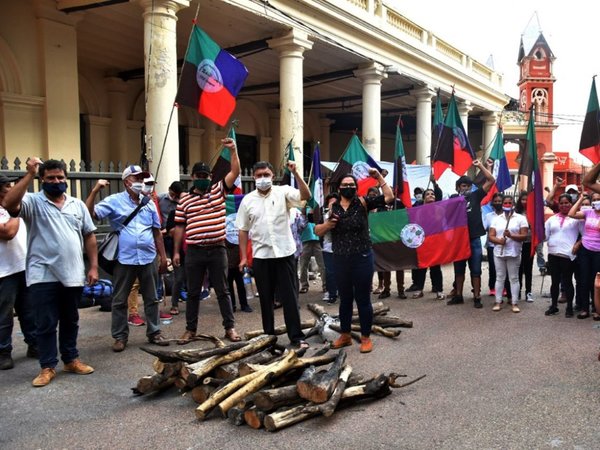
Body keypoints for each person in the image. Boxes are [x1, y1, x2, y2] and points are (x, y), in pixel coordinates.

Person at [3, 158, 98, 387]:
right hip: (42, 274)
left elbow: (89, 235)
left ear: (66, 179)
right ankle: (47, 366)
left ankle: (70, 359)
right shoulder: (32, 202)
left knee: (70, 319)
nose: (56, 182)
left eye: (60, 178)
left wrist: (93, 265)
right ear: (42, 180)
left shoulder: (77, 205)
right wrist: (29, 174)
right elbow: (8, 203)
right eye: (50, 178)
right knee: (44, 322)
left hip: (73, 273)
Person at [87, 166, 169, 352]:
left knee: (152, 298)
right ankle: (120, 336)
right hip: (124, 259)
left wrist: (163, 258)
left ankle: (154, 332)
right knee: (119, 300)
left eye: (142, 179)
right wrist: (94, 191)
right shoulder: (114, 201)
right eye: (136, 179)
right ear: (126, 182)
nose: (140, 183)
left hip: (148, 257)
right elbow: (90, 214)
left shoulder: (148, 203)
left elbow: (157, 233)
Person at [315, 169, 394, 353]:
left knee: (363, 299)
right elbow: (318, 231)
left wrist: (378, 177)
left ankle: (366, 337)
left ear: (356, 188)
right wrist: (328, 224)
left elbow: (389, 198)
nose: (348, 188)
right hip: (340, 259)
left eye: (352, 185)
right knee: (345, 300)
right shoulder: (332, 207)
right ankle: (345, 335)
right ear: (339, 188)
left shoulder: (363, 202)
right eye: (345, 185)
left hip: (362, 257)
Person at [236, 160, 311, 349]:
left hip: (285, 254)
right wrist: (244, 257)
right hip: (261, 257)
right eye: (259, 175)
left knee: (290, 298)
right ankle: (268, 338)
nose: (263, 178)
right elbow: (243, 230)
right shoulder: (248, 200)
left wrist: (296, 174)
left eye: (266, 175)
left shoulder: (283, 192)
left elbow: (306, 196)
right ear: (253, 177)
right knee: (266, 299)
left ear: (272, 176)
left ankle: (296, 336)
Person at [173, 138, 241, 344]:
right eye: (199, 176)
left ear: (210, 177)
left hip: (218, 249)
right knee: (193, 293)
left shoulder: (219, 189)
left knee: (223, 291)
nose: (202, 178)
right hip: (194, 251)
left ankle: (230, 328)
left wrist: (234, 150)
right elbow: (179, 227)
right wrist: (176, 252)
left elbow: (235, 172)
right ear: (192, 177)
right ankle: (190, 330)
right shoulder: (184, 199)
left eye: (206, 175)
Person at [0, 174, 37, 370]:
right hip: (3, 271)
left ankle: (34, 343)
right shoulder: (13, 210)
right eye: (7, 186)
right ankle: (3, 351)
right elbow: (8, 232)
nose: (11, 188)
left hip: (24, 266)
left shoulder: (17, 206)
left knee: (29, 310)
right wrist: (14, 212)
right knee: (4, 315)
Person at [447, 159, 495, 308]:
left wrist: (481, 166)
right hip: (459, 241)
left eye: (468, 185)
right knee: (459, 270)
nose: (466, 188)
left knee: (476, 269)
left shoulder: (476, 196)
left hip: (474, 238)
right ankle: (459, 295)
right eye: (463, 185)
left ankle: (477, 297)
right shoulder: (452, 200)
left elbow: (491, 180)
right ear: (458, 187)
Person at [488, 195, 529, 313]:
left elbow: (524, 236)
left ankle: (514, 302)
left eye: (509, 203)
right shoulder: (496, 219)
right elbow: (491, 236)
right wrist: (499, 241)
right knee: (500, 277)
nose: (507, 205)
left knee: (514, 278)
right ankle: (498, 301)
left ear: (513, 204)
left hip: (513, 252)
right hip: (499, 252)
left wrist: (511, 236)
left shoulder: (521, 218)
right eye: (505, 203)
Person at [544, 194, 580, 317]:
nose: (564, 205)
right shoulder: (551, 220)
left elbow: (585, 235)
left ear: (571, 204)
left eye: (567, 203)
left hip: (568, 255)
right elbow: (545, 236)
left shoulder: (576, 218)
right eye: (561, 203)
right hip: (553, 254)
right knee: (554, 282)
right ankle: (554, 306)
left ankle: (569, 307)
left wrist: (578, 244)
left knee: (568, 281)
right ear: (558, 205)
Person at [567, 188, 600, 319]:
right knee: (584, 280)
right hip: (585, 249)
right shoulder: (588, 212)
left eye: (599, 199)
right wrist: (581, 198)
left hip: (599, 252)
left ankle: (597, 309)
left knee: (597, 282)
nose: (597, 202)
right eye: (595, 200)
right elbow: (571, 213)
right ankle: (585, 309)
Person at [411, 188, 445, 300]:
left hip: (435, 242)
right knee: (422, 267)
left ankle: (439, 290)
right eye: (428, 194)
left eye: (432, 194)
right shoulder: (419, 210)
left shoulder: (439, 209)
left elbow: (439, 223)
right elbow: (416, 225)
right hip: (423, 242)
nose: (431, 195)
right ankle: (419, 289)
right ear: (424, 197)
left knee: (435, 268)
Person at [298, 208, 326, 295]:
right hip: (304, 240)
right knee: (303, 266)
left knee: (322, 265)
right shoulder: (298, 210)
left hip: (316, 239)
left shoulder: (314, 208)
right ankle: (304, 286)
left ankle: (325, 286)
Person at [514, 192, 535, 302]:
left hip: (529, 243)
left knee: (528, 268)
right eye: (523, 199)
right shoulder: (516, 213)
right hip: (517, 243)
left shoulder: (533, 212)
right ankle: (518, 291)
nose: (525, 202)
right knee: (518, 268)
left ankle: (528, 292)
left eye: (527, 200)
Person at [483, 193, 504, 296]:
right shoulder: (488, 216)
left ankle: (504, 287)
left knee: (504, 267)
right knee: (493, 267)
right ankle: (492, 287)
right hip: (492, 246)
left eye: (499, 201)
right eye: (495, 201)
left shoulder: (508, 215)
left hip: (505, 245)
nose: (497, 203)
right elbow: (484, 228)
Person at [321, 193, 339, 304]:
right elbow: (321, 229)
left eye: (335, 202)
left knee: (343, 272)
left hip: (342, 247)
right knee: (330, 272)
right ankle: (332, 294)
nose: (333, 204)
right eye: (330, 202)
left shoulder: (344, 213)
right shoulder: (324, 215)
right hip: (328, 247)